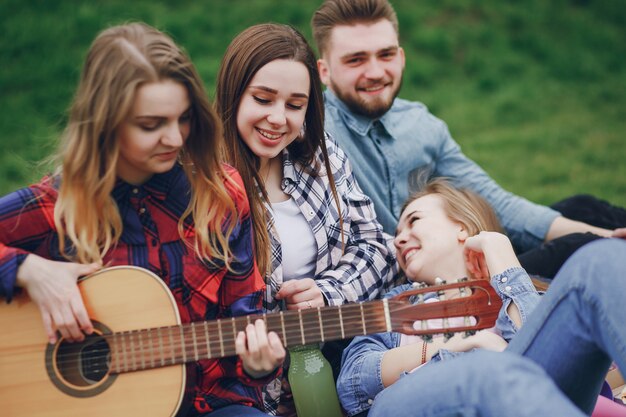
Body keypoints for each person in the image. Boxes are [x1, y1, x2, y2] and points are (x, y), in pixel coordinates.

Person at [0, 23, 285, 417]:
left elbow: (246, 315)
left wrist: (258, 364)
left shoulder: (221, 194)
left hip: (212, 404)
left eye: (183, 119)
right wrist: (27, 269)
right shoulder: (59, 207)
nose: (175, 139)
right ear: (106, 123)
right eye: (151, 125)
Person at [310, 0, 626, 278]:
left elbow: (494, 201)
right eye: (356, 60)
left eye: (386, 54)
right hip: (412, 283)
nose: (376, 72)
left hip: (454, 253)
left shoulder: (419, 123)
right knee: (574, 246)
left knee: (583, 208)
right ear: (324, 72)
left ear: (402, 57)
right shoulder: (313, 132)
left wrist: (607, 234)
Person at [214, 23, 398, 414]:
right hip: (245, 388)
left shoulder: (318, 155)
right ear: (233, 93)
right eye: (263, 99)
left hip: (337, 355)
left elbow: (376, 247)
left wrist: (327, 293)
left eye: (295, 105)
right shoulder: (202, 178)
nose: (278, 119)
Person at [336, 179, 626, 417]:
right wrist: (463, 346)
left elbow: (537, 356)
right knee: (487, 369)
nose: (398, 239)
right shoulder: (396, 304)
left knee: (600, 259)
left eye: (414, 221)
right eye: (398, 233)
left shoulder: (527, 288)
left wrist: (501, 256)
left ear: (461, 226)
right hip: (415, 403)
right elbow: (352, 382)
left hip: (529, 402)